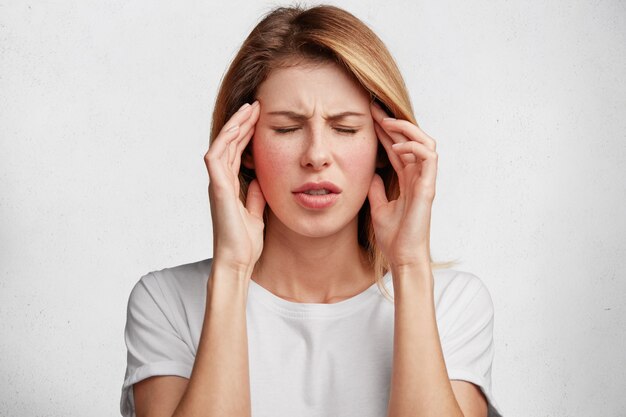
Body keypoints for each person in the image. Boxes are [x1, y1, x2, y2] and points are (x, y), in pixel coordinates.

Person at [120, 5, 503, 417]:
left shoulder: (453, 305)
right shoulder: (165, 302)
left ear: (384, 147)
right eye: (286, 129)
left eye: (345, 129)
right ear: (243, 147)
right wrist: (231, 271)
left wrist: (409, 266)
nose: (317, 156)